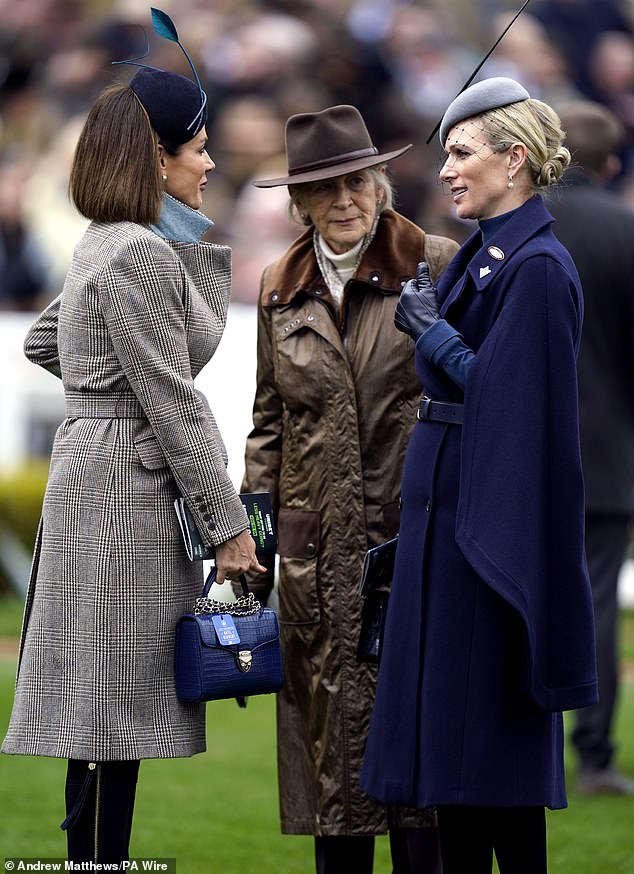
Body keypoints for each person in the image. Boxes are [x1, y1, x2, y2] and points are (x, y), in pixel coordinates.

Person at [1, 8, 265, 864]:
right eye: (198, 149)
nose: (212, 163)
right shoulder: (141, 254)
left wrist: (95, 392)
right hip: (124, 489)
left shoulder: (101, 245)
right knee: (113, 714)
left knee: (97, 714)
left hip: (90, 472)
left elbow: (50, 341)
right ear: (158, 156)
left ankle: (91, 861)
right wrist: (229, 529)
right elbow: (175, 402)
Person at [361, 77, 598, 874]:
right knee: (457, 768)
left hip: (484, 538)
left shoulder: (537, 266)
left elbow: (504, 402)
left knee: (490, 764)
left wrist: (430, 333)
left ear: (515, 159)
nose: (449, 170)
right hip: (452, 530)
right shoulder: (489, 255)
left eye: (462, 153)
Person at [243, 104, 459, 874]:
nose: (345, 201)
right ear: (299, 203)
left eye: (357, 182)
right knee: (331, 772)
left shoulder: (434, 261)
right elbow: (267, 427)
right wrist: (256, 546)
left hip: (409, 548)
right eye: (326, 189)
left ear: (383, 183)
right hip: (313, 559)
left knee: (419, 782)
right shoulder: (278, 283)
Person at [546, 100, 634, 796]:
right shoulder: (625, 230)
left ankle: (525, 742)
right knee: (595, 600)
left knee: (523, 596)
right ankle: (596, 756)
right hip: (606, 456)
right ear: (611, 163)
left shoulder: (514, 227)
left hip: (523, 451)